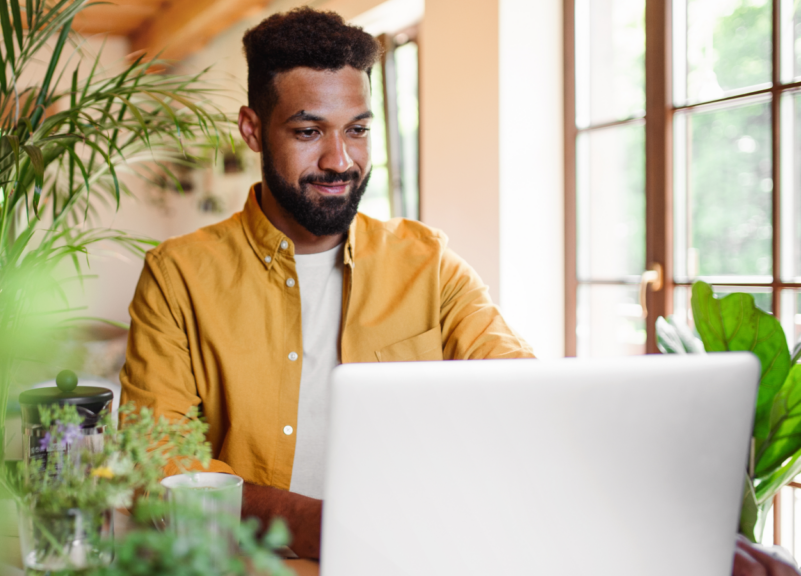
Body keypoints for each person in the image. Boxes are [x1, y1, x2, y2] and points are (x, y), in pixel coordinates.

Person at [119, 8, 800, 574]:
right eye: (308, 131)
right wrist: (334, 529)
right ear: (251, 129)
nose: (340, 160)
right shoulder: (178, 276)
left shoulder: (428, 263)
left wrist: (670, 531)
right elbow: (161, 473)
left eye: (357, 130)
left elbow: (526, 405)